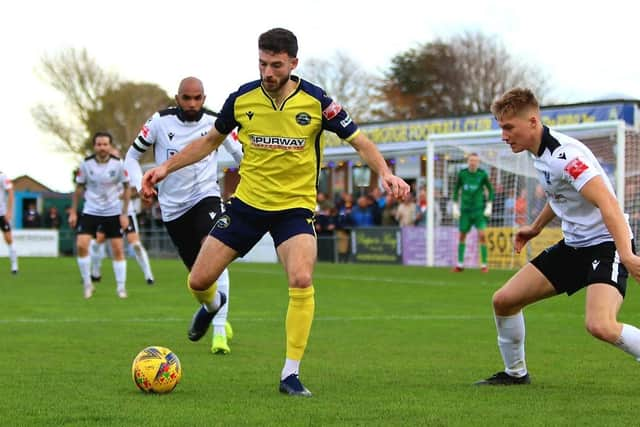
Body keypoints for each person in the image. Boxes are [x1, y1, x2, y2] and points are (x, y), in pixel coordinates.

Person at [141, 28, 410, 397]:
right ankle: (213, 305)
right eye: (263, 63)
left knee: (301, 279)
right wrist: (163, 169)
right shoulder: (242, 98)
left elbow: (360, 141)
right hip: (247, 205)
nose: (268, 72)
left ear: (293, 63)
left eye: (276, 65)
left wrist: (385, 172)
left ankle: (290, 375)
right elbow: (208, 143)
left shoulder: (318, 101)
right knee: (198, 281)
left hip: (294, 209)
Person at [475, 87, 640, 386]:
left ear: (533, 122)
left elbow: (608, 204)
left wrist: (626, 254)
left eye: (509, 127)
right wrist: (536, 227)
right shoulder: (540, 154)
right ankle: (516, 374)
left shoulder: (566, 156)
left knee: (600, 325)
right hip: (575, 247)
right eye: (501, 127)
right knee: (504, 301)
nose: (503, 135)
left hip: (607, 245)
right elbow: (560, 194)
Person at [125, 76, 242, 355]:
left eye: (197, 98)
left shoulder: (217, 122)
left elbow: (242, 155)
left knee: (214, 250)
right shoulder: (159, 122)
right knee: (198, 279)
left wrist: (247, 187)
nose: (192, 103)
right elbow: (130, 157)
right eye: (187, 98)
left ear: (204, 98)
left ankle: (218, 334)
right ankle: (213, 308)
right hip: (172, 208)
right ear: (177, 98)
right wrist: (138, 182)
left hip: (206, 196)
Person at [68, 132, 130, 299]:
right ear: (94, 146)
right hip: (91, 210)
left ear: (110, 146)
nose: (102, 147)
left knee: (117, 249)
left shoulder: (118, 164)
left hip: (112, 211)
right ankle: (88, 284)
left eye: (105, 144)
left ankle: (121, 288)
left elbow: (127, 188)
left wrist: (124, 213)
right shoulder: (86, 164)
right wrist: (73, 212)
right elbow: (79, 188)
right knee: (82, 245)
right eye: (99, 144)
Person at [90, 186, 155, 285]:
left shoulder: (128, 174)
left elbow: (135, 191)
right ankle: (95, 273)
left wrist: (140, 194)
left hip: (127, 214)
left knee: (136, 245)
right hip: (108, 214)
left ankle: (149, 276)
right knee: (96, 243)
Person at [451, 152, 494, 273]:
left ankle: (484, 265)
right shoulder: (462, 174)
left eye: (475, 160)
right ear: (468, 161)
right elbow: (456, 190)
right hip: (465, 210)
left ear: (478, 162)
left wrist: (489, 205)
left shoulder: (482, 174)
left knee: (482, 235)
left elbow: (490, 190)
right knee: (462, 235)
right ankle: (459, 264)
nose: (473, 162)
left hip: (478, 210)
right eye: (471, 160)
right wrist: (455, 205)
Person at [0, 171, 18, 274]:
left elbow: (10, 191)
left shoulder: (2, 176)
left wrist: (9, 211)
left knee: (8, 239)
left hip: (1, 214)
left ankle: (14, 266)